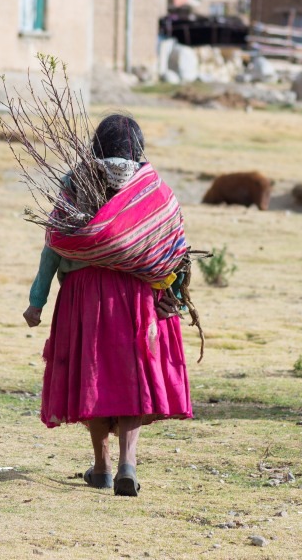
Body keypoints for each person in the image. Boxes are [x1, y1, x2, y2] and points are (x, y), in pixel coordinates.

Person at [22, 114, 191, 498]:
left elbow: (53, 244)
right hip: (135, 296)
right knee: (131, 376)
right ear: (139, 149)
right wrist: (175, 298)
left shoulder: (78, 181)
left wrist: (37, 300)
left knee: (92, 375)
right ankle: (128, 464)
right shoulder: (152, 189)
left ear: (95, 147)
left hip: (84, 292)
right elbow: (175, 247)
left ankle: (101, 467)